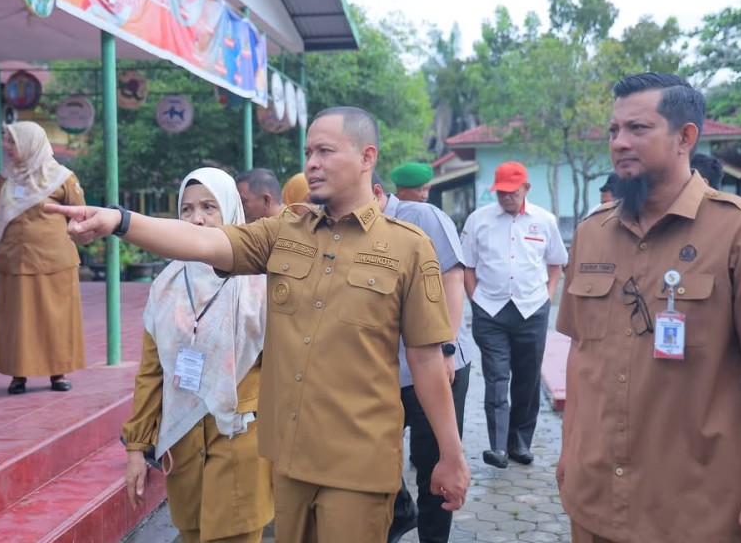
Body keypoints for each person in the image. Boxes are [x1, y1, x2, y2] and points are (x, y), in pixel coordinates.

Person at [46, 106, 470, 542]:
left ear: (367, 157)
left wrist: (450, 453)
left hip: (359, 464)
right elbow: (205, 241)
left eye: (325, 151)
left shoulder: (408, 247)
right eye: (308, 152)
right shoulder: (286, 230)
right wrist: (120, 220)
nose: (311, 163)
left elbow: (425, 361)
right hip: (288, 459)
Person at [557, 73, 741, 543]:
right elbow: (581, 352)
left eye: (638, 129)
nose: (619, 143)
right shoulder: (591, 233)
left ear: (685, 137)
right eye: (614, 130)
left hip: (699, 509)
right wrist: (568, 451)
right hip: (597, 498)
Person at [121, 167, 273, 543]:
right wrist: (136, 449)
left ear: (231, 213)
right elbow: (151, 373)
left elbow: (285, 370)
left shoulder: (258, 285)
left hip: (241, 438)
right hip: (185, 443)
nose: (196, 219)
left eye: (209, 207)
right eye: (186, 210)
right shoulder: (166, 287)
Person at [373, 174, 474, 543]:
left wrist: (444, 348)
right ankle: (400, 512)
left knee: (434, 465)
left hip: (437, 367)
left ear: (376, 191)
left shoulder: (423, 218)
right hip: (384, 371)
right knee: (371, 453)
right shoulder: (344, 228)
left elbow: (452, 279)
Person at [461, 161, 568, 469]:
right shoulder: (478, 220)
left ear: (526, 189)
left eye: (512, 192)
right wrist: (475, 299)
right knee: (496, 377)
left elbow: (556, 262)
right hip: (490, 311)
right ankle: (498, 448)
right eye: (501, 192)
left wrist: (547, 297)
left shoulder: (544, 221)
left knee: (528, 378)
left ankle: (520, 443)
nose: (506, 197)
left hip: (531, 310)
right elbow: (467, 265)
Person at [0, 121, 86, 395]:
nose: (7, 147)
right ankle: (17, 375)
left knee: (55, 318)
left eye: (12, 142)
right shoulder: (5, 179)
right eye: (7, 141)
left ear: (29, 143)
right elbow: (1, 211)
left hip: (55, 260)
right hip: (14, 260)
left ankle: (58, 373)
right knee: (17, 319)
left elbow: (79, 213)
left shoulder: (63, 177)